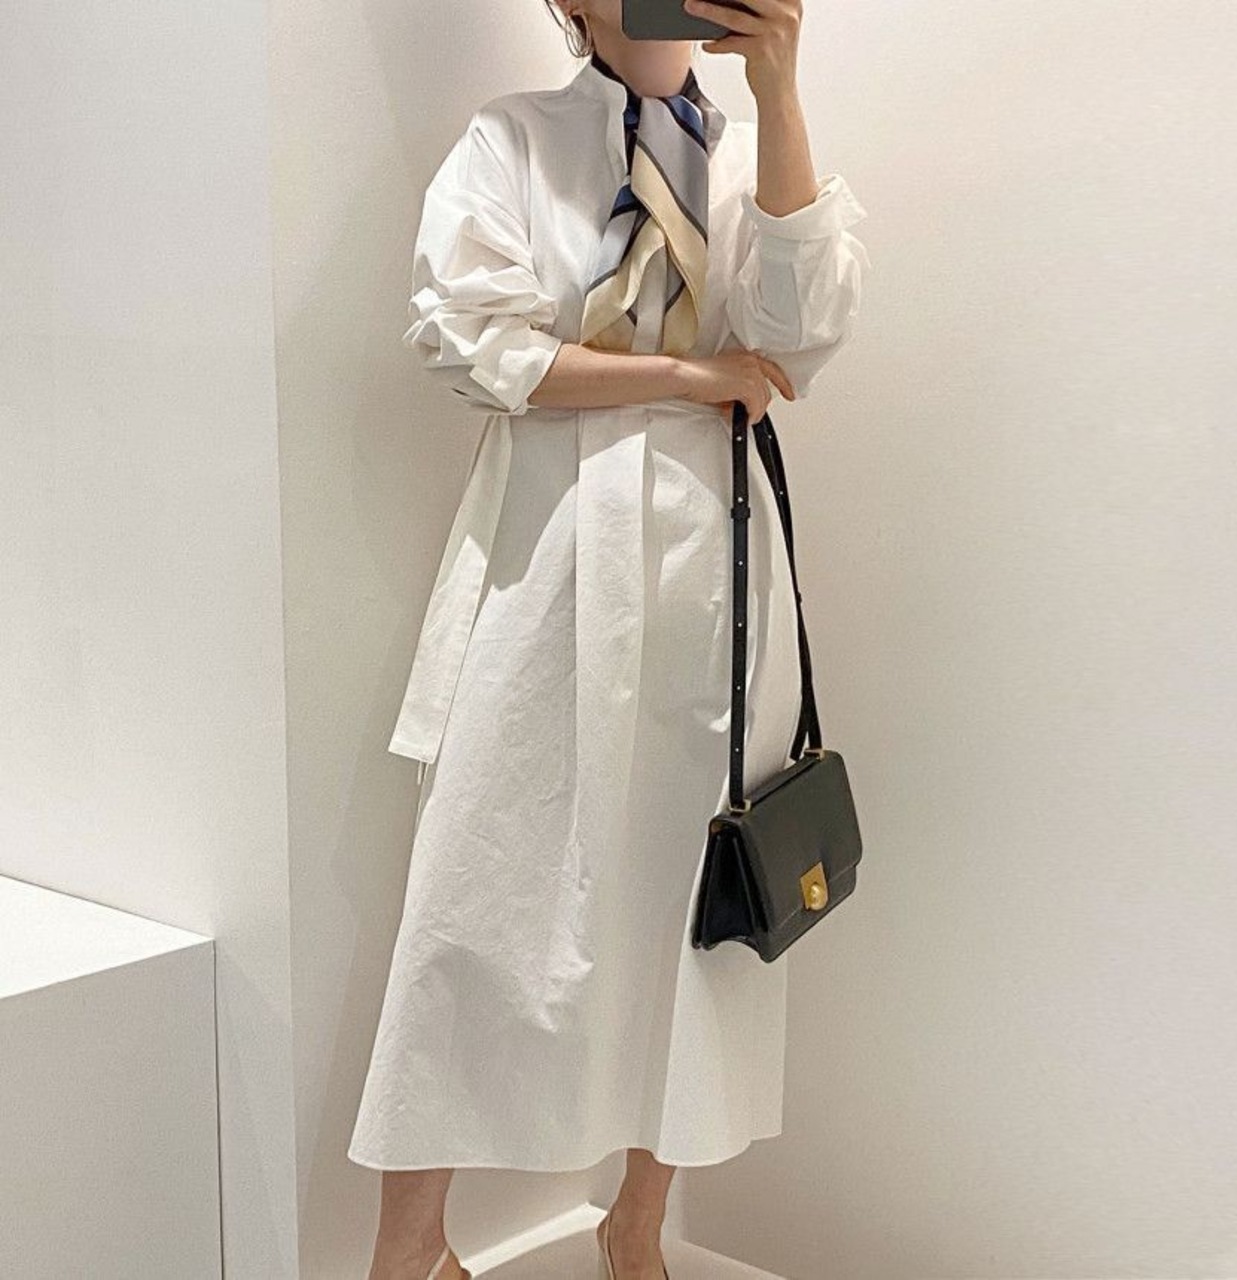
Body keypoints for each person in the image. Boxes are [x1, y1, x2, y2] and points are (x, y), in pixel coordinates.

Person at [348, 1, 871, 1276]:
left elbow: (802, 329)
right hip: (549, 553)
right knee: (473, 895)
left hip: (712, 569)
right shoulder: (514, 140)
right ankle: (409, 1251)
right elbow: (475, 345)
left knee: (693, 905)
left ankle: (635, 1224)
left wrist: (780, 87)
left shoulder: (750, 164)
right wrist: (691, 377)